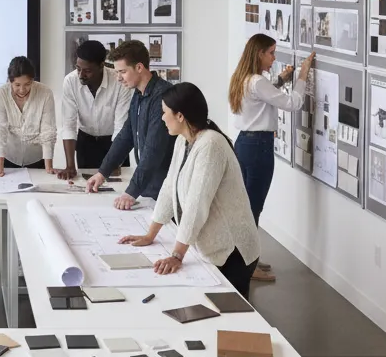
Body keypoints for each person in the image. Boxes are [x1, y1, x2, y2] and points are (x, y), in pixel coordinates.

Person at [119, 82, 261, 297]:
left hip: (234, 252)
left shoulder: (211, 144)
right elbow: (169, 188)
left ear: (180, 116)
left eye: (165, 112)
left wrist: (177, 255)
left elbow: (197, 203)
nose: (162, 118)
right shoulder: (183, 141)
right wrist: (150, 235)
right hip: (214, 247)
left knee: (230, 313)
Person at [228, 35, 314, 282]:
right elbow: (293, 103)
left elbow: (261, 97)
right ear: (259, 54)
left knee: (245, 206)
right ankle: (248, 266)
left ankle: (245, 259)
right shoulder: (257, 81)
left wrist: (281, 80)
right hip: (259, 147)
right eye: (271, 53)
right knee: (253, 208)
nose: (274, 58)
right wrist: (302, 75)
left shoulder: (243, 77)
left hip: (244, 144)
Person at [85, 39, 175, 207]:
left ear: (139, 67)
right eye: (117, 72)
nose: (118, 78)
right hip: (149, 187)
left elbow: (153, 150)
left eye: (123, 72)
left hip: (165, 188)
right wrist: (102, 173)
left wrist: (131, 192)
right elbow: (126, 136)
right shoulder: (138, 94)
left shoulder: (162, 96)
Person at [58, 39, 132, 179]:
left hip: (114, 143)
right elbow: (69, 125)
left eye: (87, 71)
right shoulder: (70, 81)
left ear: (101, 66)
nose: (81, 75)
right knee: (85, 185)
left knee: (119, 184)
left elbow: (120, 127)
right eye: (78, 68)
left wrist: (115, 161)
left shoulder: (119, 81)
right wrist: (70, 166)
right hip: (86, 142)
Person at [0, 56, 57, 174]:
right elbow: (0, 129)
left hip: (36, 158)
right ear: (10, 81)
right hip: (10, 157)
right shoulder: (1, 93)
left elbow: (48, 130)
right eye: (17, 85)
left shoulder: (45, 93)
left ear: (32, 80)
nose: (22, 90)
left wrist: (48, 167)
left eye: (27, 84)